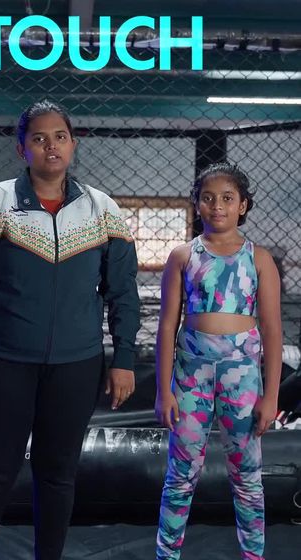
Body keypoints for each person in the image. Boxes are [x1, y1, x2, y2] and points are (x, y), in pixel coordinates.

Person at [0, 99, 140, 560]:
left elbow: (123, 293)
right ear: (21, 148)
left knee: (57, 475)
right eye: (38, 138)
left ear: (73, 144)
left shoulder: (103, 210)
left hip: (77, 366)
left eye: (59, 137)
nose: (50, 146)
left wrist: (124, 359)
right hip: (4, 363)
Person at [155, 162, 282, 560]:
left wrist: (271, 396)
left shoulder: (259, 259)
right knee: (181, 473)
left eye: (227, 198)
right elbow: (166, 327)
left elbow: (272, 330)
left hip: (241, 377)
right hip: (191, 373)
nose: (217, 206)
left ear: (242, 205)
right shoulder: (182, 256)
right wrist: (163, 391)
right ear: (197, 204)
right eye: (208, 198)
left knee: (247, 474)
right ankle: (167, 554)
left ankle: (253, 555)